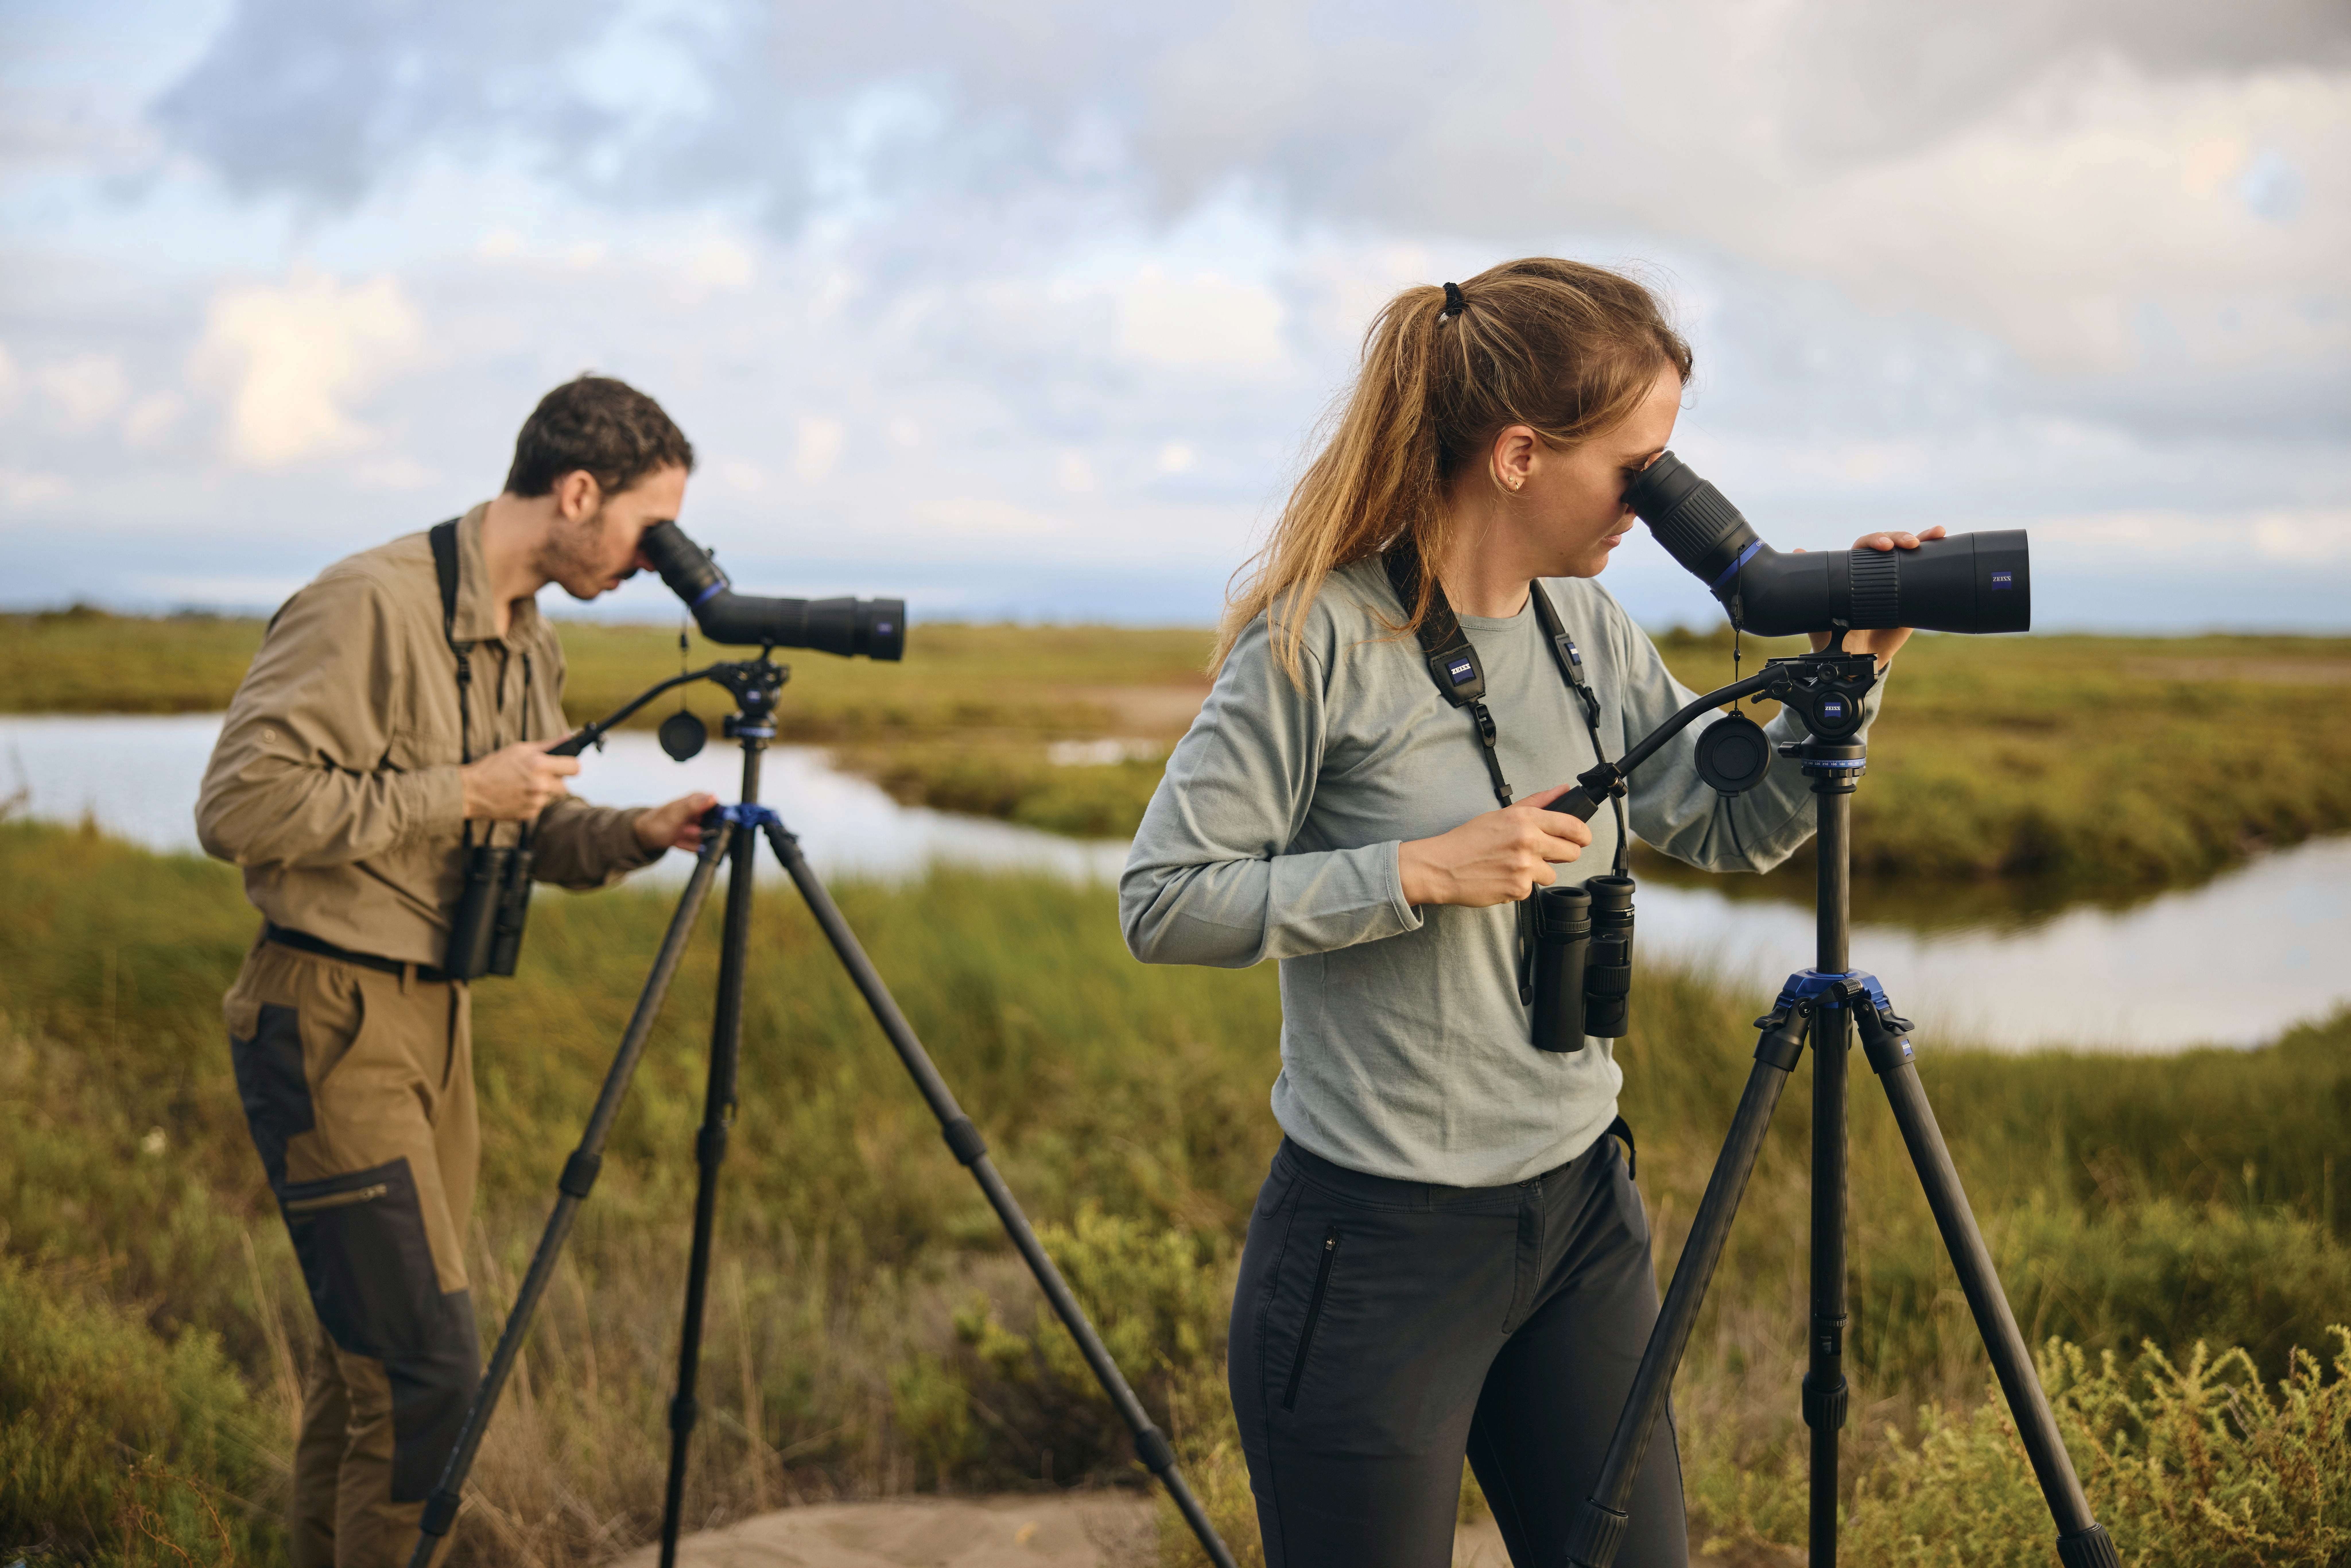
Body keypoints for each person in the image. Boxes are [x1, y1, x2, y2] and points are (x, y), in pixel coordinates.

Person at [1120, 259, 1941, 1568]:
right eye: (1638, 464)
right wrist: (1414, 872)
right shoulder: (1319, 638)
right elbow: (1163, 903)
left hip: (1577, 1220)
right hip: (1374, 1243)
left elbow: (1727, 826)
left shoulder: (1585, 627)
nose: (1657, 501)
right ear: (1516, 455)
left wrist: (1841, 693)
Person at [195, 374, 720, 1567]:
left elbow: (517, 837)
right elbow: (237, 807)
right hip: (329, 1017)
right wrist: (461, 789)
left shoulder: (528, 638)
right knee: (429, 1375)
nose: (652, 563)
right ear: (576, 493)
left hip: (439, 1025)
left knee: (367, 1371)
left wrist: (641, 832)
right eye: (648, 529)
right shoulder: (365, 607)